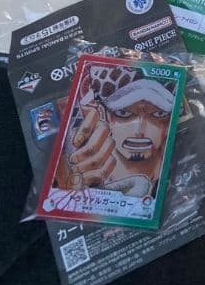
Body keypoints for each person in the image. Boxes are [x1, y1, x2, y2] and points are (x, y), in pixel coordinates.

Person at [55, 62, 176, 198]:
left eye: (158, 114)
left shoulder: (176, 167)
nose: (139, 131)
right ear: (103, 113)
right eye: (123, 113)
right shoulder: (79, 160)